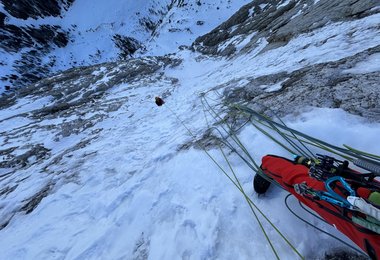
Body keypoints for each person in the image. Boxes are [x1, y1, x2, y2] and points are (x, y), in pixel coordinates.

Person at [254, 154, 380, 259]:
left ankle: (312, 168)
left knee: (328, 184)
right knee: (305, 184)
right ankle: (268, 164)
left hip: (371, 226)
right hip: (367, 212)